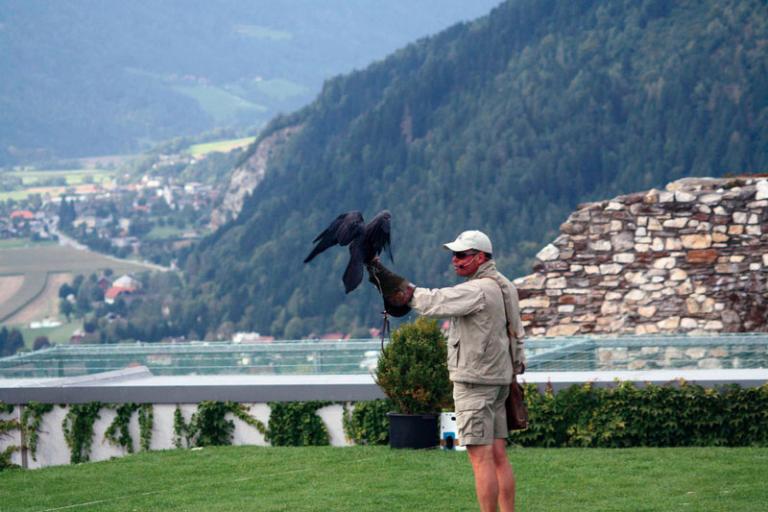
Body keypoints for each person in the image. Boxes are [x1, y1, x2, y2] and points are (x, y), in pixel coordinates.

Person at [367, 230, 525, 512]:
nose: (454, 260)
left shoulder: (477, 289)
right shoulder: (506, 286)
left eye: (462, 255)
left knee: (481, 458)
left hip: (475, 382)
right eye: (454, 254)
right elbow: (518, 334)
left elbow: (432, 302)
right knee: (499, 454)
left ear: (480, 257)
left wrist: (387, 278)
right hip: (501, 380)